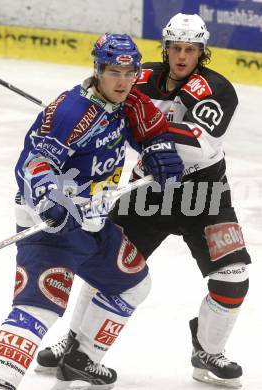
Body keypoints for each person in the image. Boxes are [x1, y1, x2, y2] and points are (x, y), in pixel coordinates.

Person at [36, 13, 251, 389]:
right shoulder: (141, 77)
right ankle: (76, 345)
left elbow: (201, 146)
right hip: (147, 192)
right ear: (166, 48)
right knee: (107, 269)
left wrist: (142, 123)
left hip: (203, 194)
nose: (182, 56)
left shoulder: (217, 88)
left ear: (202, 52)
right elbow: (100, 95)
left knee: (233, 277)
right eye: (176, 48)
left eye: (191, 50)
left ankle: (207, 351)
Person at [0, 33, 184, 390]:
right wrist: (49, 200)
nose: (122, 81)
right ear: (98, 70)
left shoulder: (128, 101)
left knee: (134, 283)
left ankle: (81, 358)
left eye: (129, 72)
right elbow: (34, 165)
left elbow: (152, 133)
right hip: (51, 223)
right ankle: (0, 381)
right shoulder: (70, 112)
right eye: (113, 72)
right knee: (41, 305)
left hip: (93, 220)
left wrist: (160, 152)